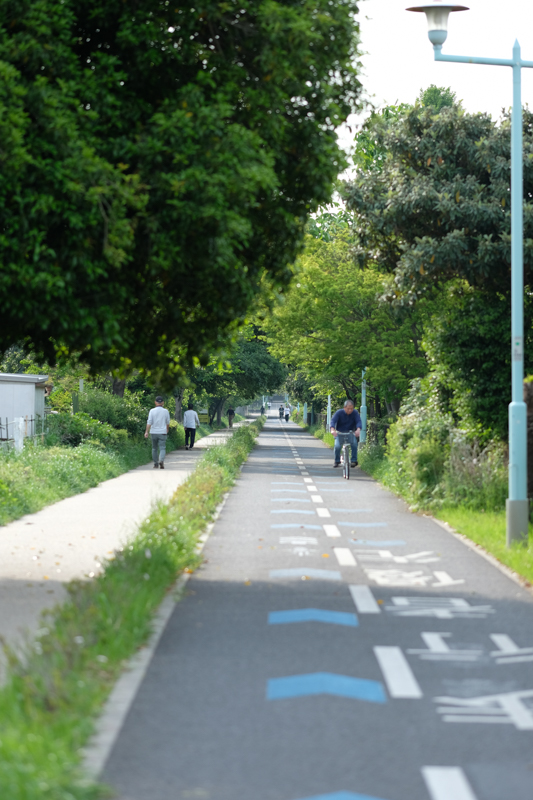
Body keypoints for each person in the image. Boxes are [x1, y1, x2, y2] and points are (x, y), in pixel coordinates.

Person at [330, 399, 362, 469]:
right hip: (339, 433)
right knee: (337, 446)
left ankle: (354, 460)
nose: (350, 410)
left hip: (350, 432)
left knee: (354, 444)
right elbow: (333, 421)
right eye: (348, 409)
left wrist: (358, 429)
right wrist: (332, 429)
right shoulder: (339, 413)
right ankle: (337, 461)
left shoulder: (355, 413)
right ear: (344, 407)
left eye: (351, 409)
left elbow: (358, 421)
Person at [144, 396, 170, 469]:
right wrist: (167, 429)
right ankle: (161, 460)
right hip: (162, 432)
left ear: (155, 402)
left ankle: (155, 464)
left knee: (154, 448)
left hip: (153, 432)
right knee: (162, 448)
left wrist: (146, 431)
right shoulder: (166, 411)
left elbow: (149, 422)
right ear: (163, 403)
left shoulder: (152, 411)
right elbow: (167, 422)